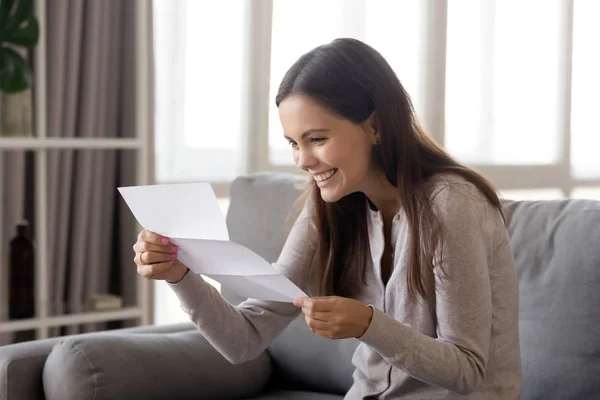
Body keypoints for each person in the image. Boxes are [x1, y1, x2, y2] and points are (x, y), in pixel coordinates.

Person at [133, 38, 521, 399]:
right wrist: (180, 276)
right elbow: (244, 340)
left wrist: (370, 325)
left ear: (375, 126)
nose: (302, 161)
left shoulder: (451, 204)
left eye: (317, 139)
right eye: (293, 143)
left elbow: (467, 371)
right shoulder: (326, 207)